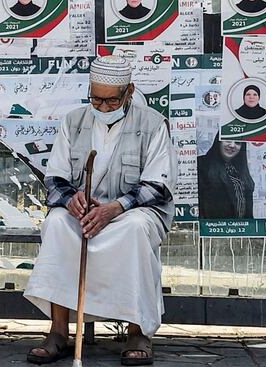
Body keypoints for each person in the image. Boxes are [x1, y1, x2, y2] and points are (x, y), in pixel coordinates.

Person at [25, 55, 176, 366]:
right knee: (56, 223)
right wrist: (71, 200)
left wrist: (114, 208)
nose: (103, 107)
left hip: (135, 211)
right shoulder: (74, 121)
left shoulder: (153, 124)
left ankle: (137, 331)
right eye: (96, 99)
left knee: (134, 229)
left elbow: (157, 186)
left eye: (111, 100)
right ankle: (58, 331)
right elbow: (55, 178)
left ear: (129, 92)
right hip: (86, 211)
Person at [197, 135, 254, 219]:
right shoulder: (202, 165)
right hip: (213, 228)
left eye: (237, 143)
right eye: (227, 140)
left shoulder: (241, 171)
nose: (232, 145)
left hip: (242, 229)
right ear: (219, 142)